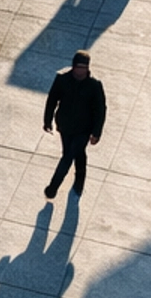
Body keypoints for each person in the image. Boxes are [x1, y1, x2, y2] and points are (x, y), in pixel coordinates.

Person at [43, 50, 106, 199]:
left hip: (84, 129)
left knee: (67, 157)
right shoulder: (62, 80)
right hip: (65, 126)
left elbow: (100, 110)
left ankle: (53, 188)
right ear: (73, 66)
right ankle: (80, 180)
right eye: (78, 67)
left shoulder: (94, 85)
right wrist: (47, 120)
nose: (81, 70)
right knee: (78, 154)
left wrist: (96, 132)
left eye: (84, 67)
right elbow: (52, 100)